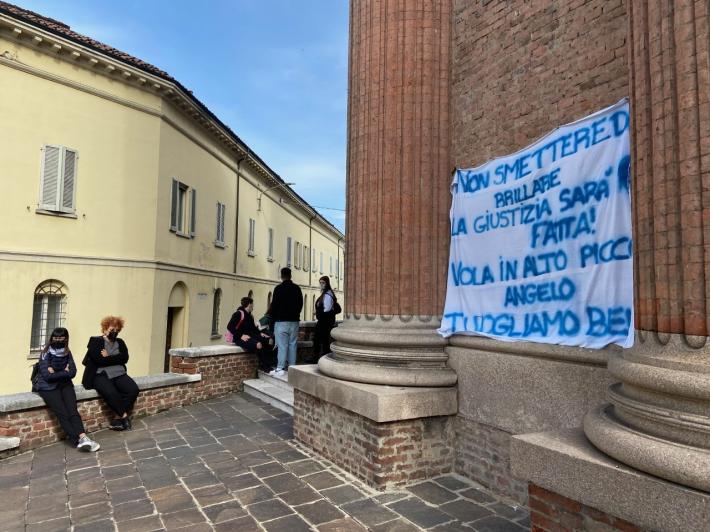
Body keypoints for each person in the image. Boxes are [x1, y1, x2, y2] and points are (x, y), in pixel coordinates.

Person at [33, 327, 100, 452]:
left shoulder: (67, 352)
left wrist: (56, 372)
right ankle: (78, 440)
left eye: (61, 338)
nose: (58, 340)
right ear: (51, 338)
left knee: (73, 411)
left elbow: (73, 372)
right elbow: (47, 376)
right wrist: (64, 371)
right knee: (62, 413)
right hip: (47, 387)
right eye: (55, 337)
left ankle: (83, 437)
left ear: (66, 339)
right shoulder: (45, 353)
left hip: (65, 384)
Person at [82, 316, 139, 431]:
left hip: (119, 373)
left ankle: (117, 418)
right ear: (104, 329)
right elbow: (99, 360)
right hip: (99, 374)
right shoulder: (95, 341)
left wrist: (108, 357)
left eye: (117, 330)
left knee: (133, 390)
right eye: (112, 330)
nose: (114, 332)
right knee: (111, 393)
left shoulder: (120, 342)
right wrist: (116, 358)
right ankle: (124, 416)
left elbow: (125, 358)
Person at [269, 267, 303, 376]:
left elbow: (274, 306)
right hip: (294, 321)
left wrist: (272, 321)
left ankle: (280, 368)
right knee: (293, 344)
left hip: (281, 321)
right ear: (290, 275)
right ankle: (292, 367)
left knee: (282, 345)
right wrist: (296, 314)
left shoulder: (278, 289)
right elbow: (300, 304)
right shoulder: (297, 288)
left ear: (281, 276)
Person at [227, 296, 274, 371]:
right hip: (239, 338)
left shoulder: (250, 316)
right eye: (252, 304)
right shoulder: (238, 314)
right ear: (249, 304)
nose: (253, 306)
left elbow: (253, 328)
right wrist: (241, 335)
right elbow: (230, 326)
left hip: (250, 336)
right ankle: (264, 366)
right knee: (258, 344)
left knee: (269, 340)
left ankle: (270, 363)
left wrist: (260, 333)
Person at [314, 275, 337, 360]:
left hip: (324, 321)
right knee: (322, 340)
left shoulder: (327, 294)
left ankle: (319, 357)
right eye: (320, 283)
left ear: (327, 283)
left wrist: (319, 313)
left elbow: (327, 309)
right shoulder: (325, 294)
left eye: (323, 283)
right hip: (324, 321)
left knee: (320, 340)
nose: (321, 284)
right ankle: (321, 357)